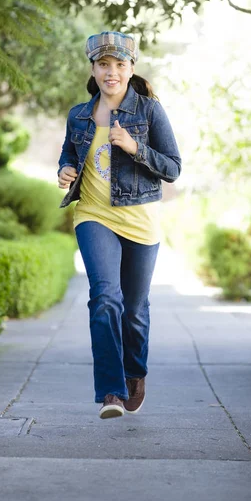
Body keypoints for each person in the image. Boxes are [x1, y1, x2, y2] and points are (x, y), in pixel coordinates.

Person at [58, 31, 181, 419]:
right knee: (105, 297)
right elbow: (69, 152)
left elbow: (173, 167)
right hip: (94, 215)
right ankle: (111, 392)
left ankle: (134, 374)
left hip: (141, 219)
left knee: (134, 309)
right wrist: (64, 168)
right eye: (103, 65)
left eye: (119, 65)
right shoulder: (78, 114)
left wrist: (134, 147)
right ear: (93, 70)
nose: (111, 72)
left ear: (131, 69)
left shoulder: (149, 112)